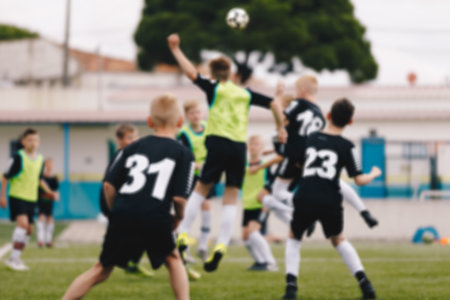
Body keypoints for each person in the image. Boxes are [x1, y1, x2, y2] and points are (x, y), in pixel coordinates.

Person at [168, 33, 286, 272]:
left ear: (213, 74)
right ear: (231, 74)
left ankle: (182, 235)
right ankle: (221, 244)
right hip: (237, 147)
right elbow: (275, 103)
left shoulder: (214, 88)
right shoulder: (245, 93)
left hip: (217, 142)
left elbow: (191, 73)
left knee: (202, 188)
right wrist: (280, 128)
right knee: (232, 197)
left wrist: (176, 50)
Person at [62, 95, 194, 300]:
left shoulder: (131, 148)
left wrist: (116, 212)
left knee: (101, 269)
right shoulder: (183, 153)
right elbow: (179, 199)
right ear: (180, 121)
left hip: (123, 213)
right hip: (155, 215)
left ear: (150, 122)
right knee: (173, 259)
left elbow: (108, 185)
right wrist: (178, 218)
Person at [283, 99, 381, 300]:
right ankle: (366, 286)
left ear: (327, 115)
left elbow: (299, 163)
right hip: (330, 198)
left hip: (306, 195)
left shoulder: (311, 137)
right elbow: (359, 180)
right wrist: (373, 173)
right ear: (350, 122)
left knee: (294, 237)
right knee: (338, 239)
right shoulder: (347, 146)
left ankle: (291, 288)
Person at [259, 76, 378, 230]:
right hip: (311, 155)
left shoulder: (298, 103)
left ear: (303, 90)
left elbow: (282, 118)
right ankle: (363, 210)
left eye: (296, 90)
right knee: (336, 181)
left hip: (293, 158)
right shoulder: (319, 114)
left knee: (276, 194)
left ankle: (302, 212)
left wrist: (277, 99)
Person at [99, 123, 153, 277]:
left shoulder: (134, 155)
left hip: (125, 203)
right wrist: (113, 208)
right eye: (130, 138)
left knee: (142, 231)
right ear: (119, 140)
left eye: (136, 137)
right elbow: (108, 185)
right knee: (134, 233)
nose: (134, 140)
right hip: (112, 201)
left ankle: (132, 262)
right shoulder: (121, 155)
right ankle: (113, 261)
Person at [1, 128, 56, 271]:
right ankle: (12, 259)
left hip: (32, 199)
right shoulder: (17, 157)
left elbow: (39, 179)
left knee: (29, 230)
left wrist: (49, 192)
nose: (33, 143)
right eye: (30, 140)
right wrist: (2, 196)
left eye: (35, 140)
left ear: (39, 142)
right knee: (23, 225)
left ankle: (16, 258)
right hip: (17, 196)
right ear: (23, 141)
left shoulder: (40, 159)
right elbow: (6, 176)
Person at [177, 99, 213, 262]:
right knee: (187, 212)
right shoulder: (183, 133)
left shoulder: (209, 128)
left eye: (198, 112)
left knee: (207, 208)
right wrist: (196, 164)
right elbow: (183, 157)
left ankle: (203, 247)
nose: (196, 116)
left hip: (207, 173)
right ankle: (184, 248)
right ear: (186, 115)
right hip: (190, 175)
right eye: (192, 113)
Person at [242, 135, 278, 272]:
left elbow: (272, 185)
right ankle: (260, 261)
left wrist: (266, 204)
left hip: (260, 205)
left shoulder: (266, 166)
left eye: (257, 144)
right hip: (247, 205)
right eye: (251, 144)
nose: (253, 147)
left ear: (262, 148)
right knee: (245, 237)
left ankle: (270, 262)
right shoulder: (243, 165)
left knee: (253, 232)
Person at [36, 158, 60, 248]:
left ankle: (48, 240)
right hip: (41, 200)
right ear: (45, 165)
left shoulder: (54, 178)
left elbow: (56, 190)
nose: (50, 165)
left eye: (52, 164)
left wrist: (56, 195)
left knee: (50, 218)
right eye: (48, 163)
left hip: (50, 201)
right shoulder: (41, 177)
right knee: (41, 217)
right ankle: (40, 240)